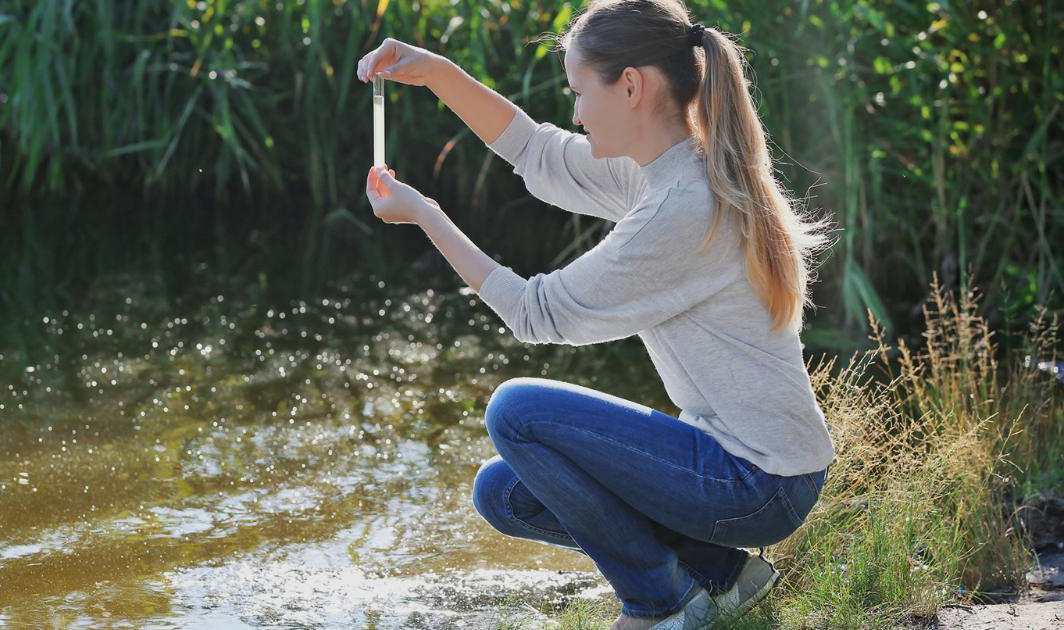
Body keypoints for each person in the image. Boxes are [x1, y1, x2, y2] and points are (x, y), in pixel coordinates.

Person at [358, 1, 836, 628]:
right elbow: (536, 151)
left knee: (515, 411)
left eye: (580, 92)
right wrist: (437, 72)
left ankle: (659, 603)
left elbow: (534, 313)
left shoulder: (682, 208)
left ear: (631, 86)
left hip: (759, 484)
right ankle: (720, 573)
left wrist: (426, 216)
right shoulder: (666, 172)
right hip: (744, 467)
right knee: (503, 493)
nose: (576, 113)